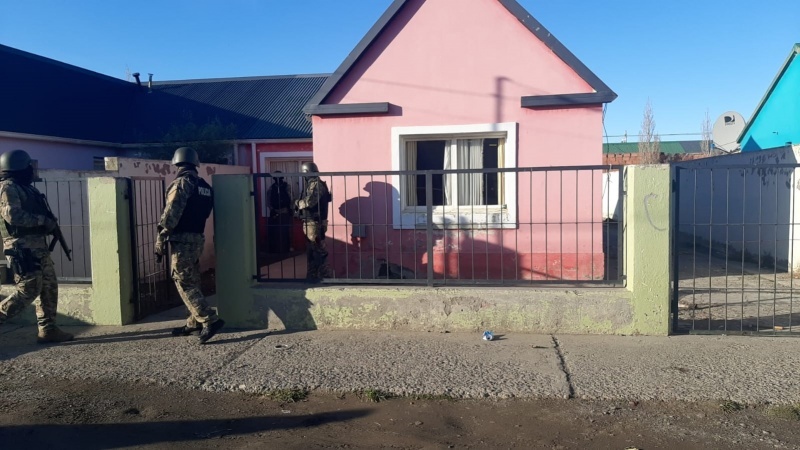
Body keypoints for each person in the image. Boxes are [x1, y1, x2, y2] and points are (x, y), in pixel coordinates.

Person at [0, 149, 73, 343]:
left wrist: (49, 223)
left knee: (49, 286)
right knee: (28, 289)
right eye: (28, 166)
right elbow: (13, 216)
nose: (32, 170)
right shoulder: (8, 188)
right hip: (21, 248)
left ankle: (48, 329)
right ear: (18, 168)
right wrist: (43, 221)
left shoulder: (27, 188)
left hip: (37, 246)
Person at [155, 147, 224, 344]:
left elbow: (171, 214)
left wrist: (161, 239)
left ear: (177, 163)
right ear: (195, 164)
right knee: (192, 279)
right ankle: (193, 323)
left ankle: (209, 319)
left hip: (182, 239)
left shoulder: (182, 184)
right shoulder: (204, 186)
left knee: (183, 280)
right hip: (197, 238)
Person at [294, 162, 331, 280]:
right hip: (311, 221)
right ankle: (313, 275)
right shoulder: (312, 184)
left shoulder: (316, 185)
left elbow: (310, 202)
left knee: (317, 250)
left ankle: (323, 275)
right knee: (311, 250)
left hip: (314, 222)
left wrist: (297, 203)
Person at [266, 171, 293, 254]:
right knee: (274, 233)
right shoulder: (271, 188)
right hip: (275, 213)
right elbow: (268, 201)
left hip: (285, 212)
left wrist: (290, 209)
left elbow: (291, 199)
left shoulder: (287, 187)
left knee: (285, 232)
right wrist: (272, 210)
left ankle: (286, 250)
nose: (277, 179)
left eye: (279, 177)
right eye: (276, 177)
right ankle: (275, 251)